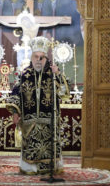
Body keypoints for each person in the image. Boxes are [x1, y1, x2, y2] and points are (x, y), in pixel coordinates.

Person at [6, 37, 69, 175]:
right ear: (32, 57)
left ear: (46, 58)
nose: (39, 60)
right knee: (31, 145)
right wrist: (15, 112)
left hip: (50, 120)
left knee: (49, 145)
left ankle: (51, 168)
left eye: (42, 57)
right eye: (36, 57)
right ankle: (30, 168)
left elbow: (64, 92)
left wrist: (58, 74)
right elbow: (16, 93)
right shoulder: (25, 74)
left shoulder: (53, 74)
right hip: (30, 120)